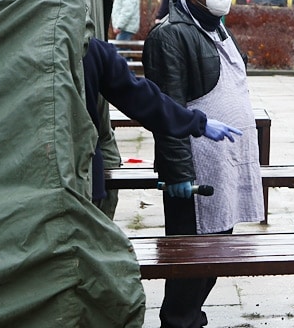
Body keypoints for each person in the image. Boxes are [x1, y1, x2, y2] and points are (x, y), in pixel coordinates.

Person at [142, 0, 265, 328]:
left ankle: (192, 322)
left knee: (216, 245)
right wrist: (177, 170)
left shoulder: (215, 28)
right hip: (195, 163)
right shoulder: (170, 35)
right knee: (190, 251)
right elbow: (167, 106)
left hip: (226, 157)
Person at [82, 37, 240, 206]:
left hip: (80, 175)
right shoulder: (87, 47)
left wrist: (197, 122)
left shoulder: (90, 49)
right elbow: (140, 98)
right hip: (81, 176)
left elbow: (141, 98)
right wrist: (197, 122)